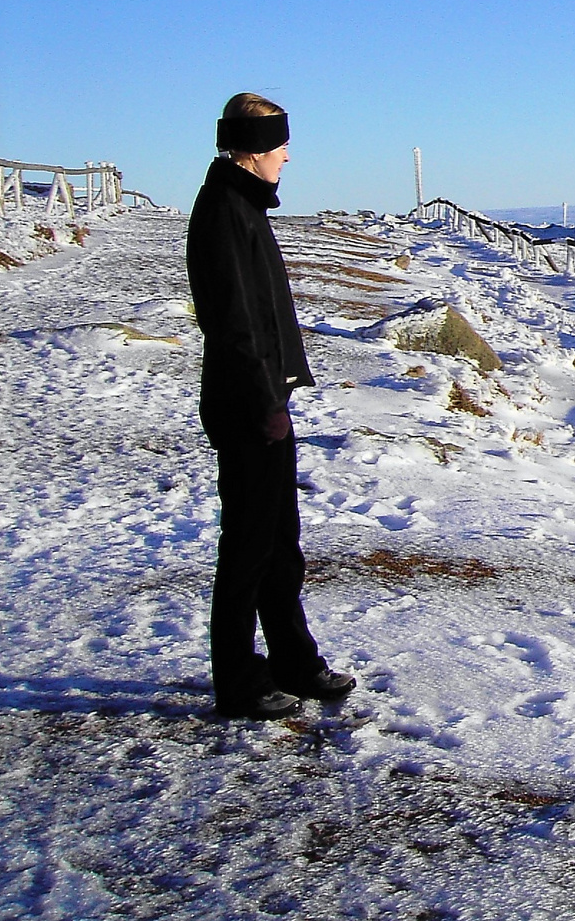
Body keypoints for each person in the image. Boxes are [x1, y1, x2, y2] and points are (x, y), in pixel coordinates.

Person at [186, 93, 355, 720]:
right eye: (279, 144)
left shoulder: (243, 205)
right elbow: (230, 324)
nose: (287, 156)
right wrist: (263, 401)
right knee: (250, 547)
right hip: (246, 403)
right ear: (252, 149)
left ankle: (293, 660)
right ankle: (236, 678)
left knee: (281, 542)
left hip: (263, 397)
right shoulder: (224, 210)